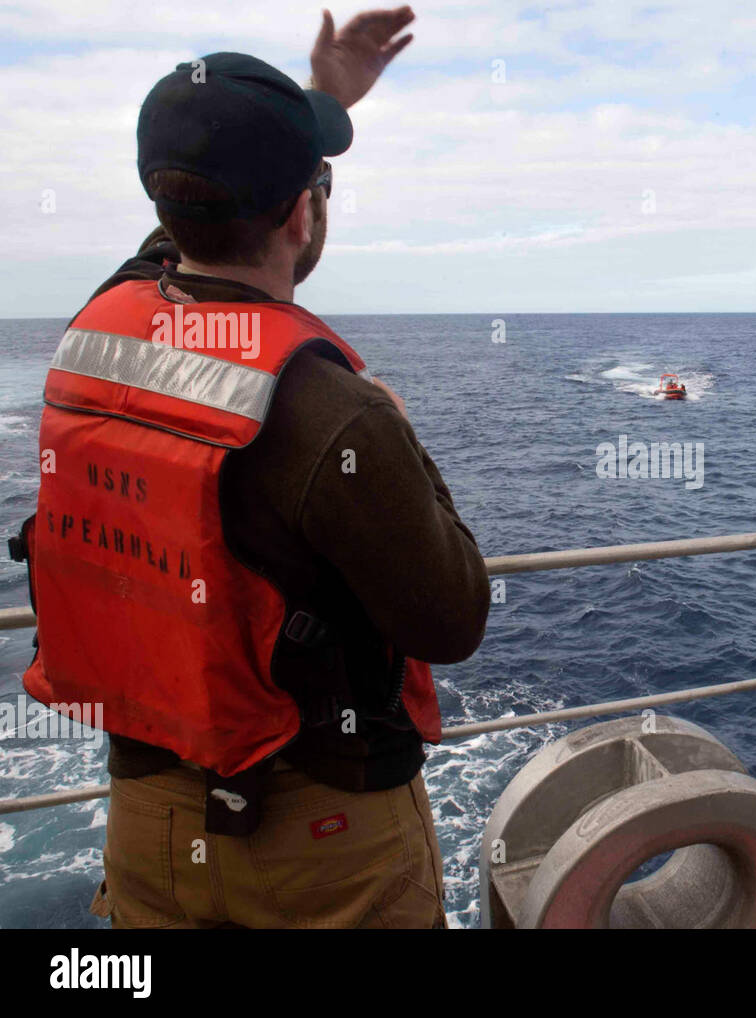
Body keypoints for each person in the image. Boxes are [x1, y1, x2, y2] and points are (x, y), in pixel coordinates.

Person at [15, 7, 490, 928]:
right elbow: (453, 615)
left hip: (150, 823)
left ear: (165, 202)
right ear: (303, 212)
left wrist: (319, 109)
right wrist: (401, 431)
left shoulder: (98, 328)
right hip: (325, 846)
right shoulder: (334, 412)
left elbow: (185, 235)